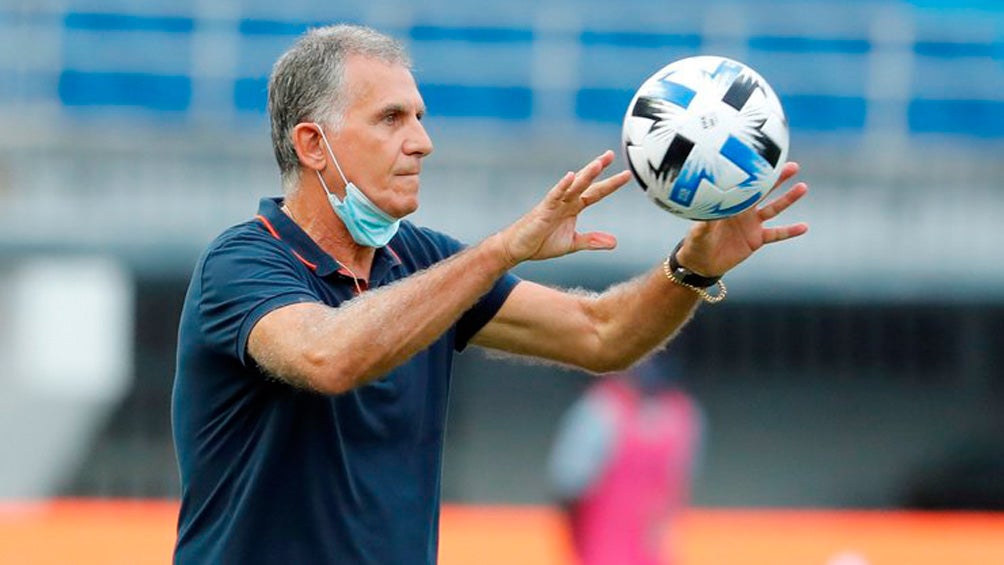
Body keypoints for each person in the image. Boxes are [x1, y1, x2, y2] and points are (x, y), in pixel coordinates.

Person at [171, 23, 808, 564]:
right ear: (314, 144)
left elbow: (602, 335)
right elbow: (329, 357)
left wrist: (691, 268)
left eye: (420, 117)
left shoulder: (420, 260)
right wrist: (501, 249)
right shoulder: (243, 261)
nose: (422, 141)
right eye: (392, 118)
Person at [548, 358, 703, 565]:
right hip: (647, 550)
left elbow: (567, 484)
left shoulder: (599, 409)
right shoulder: (684, 414)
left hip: (604, 550)